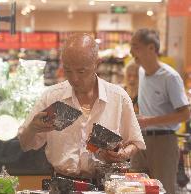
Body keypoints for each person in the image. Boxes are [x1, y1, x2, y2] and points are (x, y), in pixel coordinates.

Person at [18, 33, 145, 181]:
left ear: (97, 63)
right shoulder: (51, 96)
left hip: (105, 184)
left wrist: (123, 154)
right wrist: (32, 128)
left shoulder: (118, 97)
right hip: (61, 184)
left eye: (81, 71)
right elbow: (25, 144)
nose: (74, 78)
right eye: (68, 70)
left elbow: (135, 142)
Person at [130, 28, 190, 194]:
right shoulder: (141, 71)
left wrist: (148, 121)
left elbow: (185, 114)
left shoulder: (170, 77)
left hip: (163, 142)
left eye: (135, 46)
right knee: (134, 188)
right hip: (140, 140)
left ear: (151, 48)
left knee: (163, 189)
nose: (131, 51)